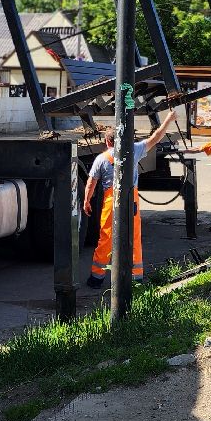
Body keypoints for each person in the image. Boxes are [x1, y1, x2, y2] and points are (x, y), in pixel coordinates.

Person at [83, 111, 178, 288]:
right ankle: (136, 279)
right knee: (133, 237)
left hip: (111, 203)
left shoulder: (101, 159)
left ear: (107, 142)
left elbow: (91, 183)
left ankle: (96, 278)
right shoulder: (133, 150)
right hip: (130, 202)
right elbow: (156, 137)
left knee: (106, 238)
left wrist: (86, 201)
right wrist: (168, 119)